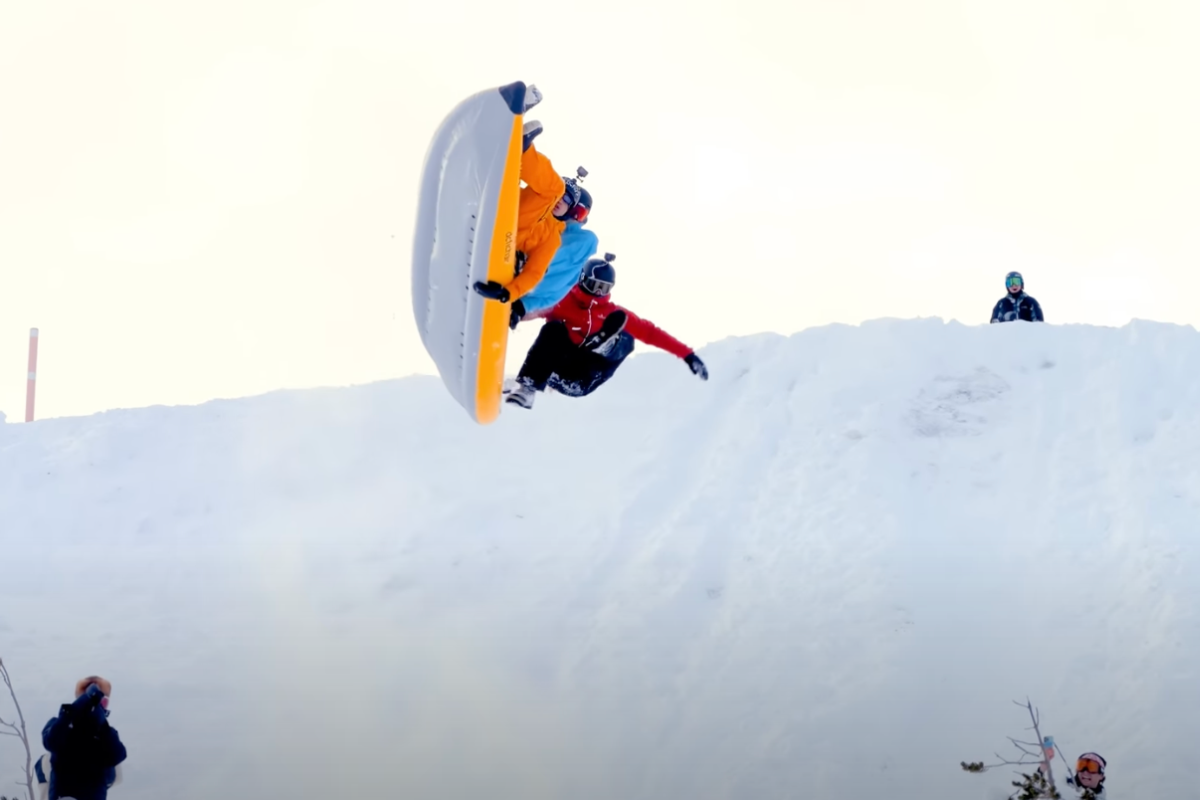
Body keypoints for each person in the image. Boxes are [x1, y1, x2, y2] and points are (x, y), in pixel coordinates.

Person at [503, 253, 708, 409]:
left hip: (585, 377)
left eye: (604, 288)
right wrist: (511, 314)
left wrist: (687, 355)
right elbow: (533, 307)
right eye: (594, 285)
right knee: (554, 329)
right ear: (582, 280)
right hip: (561, 369)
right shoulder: (561, 301)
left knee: (626, 337)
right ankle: (527, 388)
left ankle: (604, 345)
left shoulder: (612, 314)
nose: (599, 292)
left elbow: (651, 333)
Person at [473, 87, 592, 307]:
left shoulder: (551, 237)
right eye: (561, 196)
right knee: (511, 177)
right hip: (496, 208)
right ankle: (510, 126)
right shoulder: (534, 197)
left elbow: (535, 272)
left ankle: (520, 147)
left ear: (571, 213)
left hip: (505, 238)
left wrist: (508, 293)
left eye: (566, 202)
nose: (559, 201)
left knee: (551, 187)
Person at [508, 184, 597, 329]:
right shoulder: (540, 217)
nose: (560, 201)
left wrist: (522, 306)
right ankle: (525, 262)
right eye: (560, 195)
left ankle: (525, 264)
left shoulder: (581, 240)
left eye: (580, 214)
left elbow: (558, 292)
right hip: (513, 255)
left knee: (588, 240)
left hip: (520, 289)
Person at [39, 677, 126, 800]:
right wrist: (71, 712)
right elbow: (51, 741)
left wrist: (101, 724)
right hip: (64, 795)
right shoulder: (61, 724)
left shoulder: (105, 734)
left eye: (103, 702)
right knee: (44, 761)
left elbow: (117, 755)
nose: (95, 705)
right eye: (84, 697)